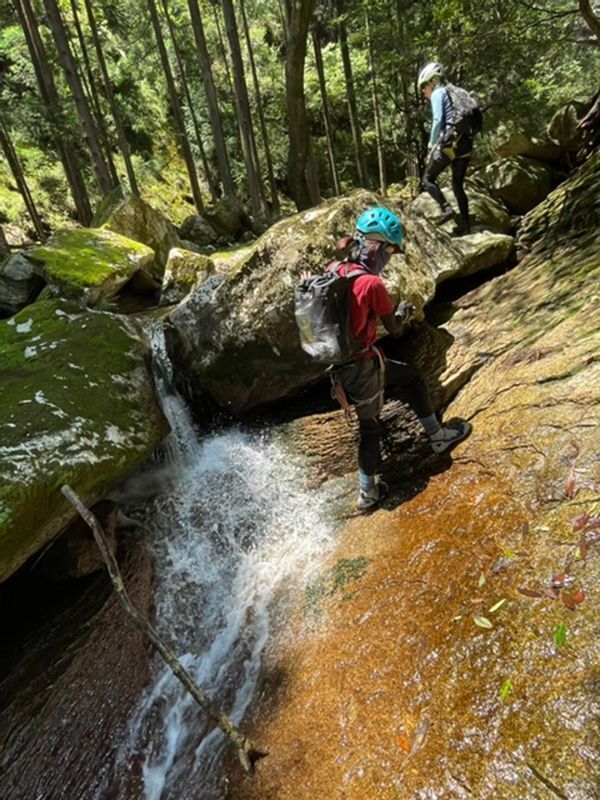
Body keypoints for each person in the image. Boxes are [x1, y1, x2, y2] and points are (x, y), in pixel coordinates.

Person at [329, 206, 471, 510]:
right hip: (361, 368)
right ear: (379, 247)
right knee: (372, 427)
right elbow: (393, 329)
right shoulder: (372, 283)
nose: (390, 259)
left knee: (407, 377)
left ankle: (433, 436)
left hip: (340, 367)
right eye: (391, 251)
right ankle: (369, 492)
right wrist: (403, 313)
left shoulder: (335, 270)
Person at [418, 61, 473, 236]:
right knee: (457, 185)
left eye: (424, 88)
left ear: (432, 81)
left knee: (427, 179)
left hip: (451, 142)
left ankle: (446, 208)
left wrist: (431, 144)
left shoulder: (438, 93)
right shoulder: (452, 92)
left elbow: (437, 121)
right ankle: (465, 224)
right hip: (466, 142)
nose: (424, 93)